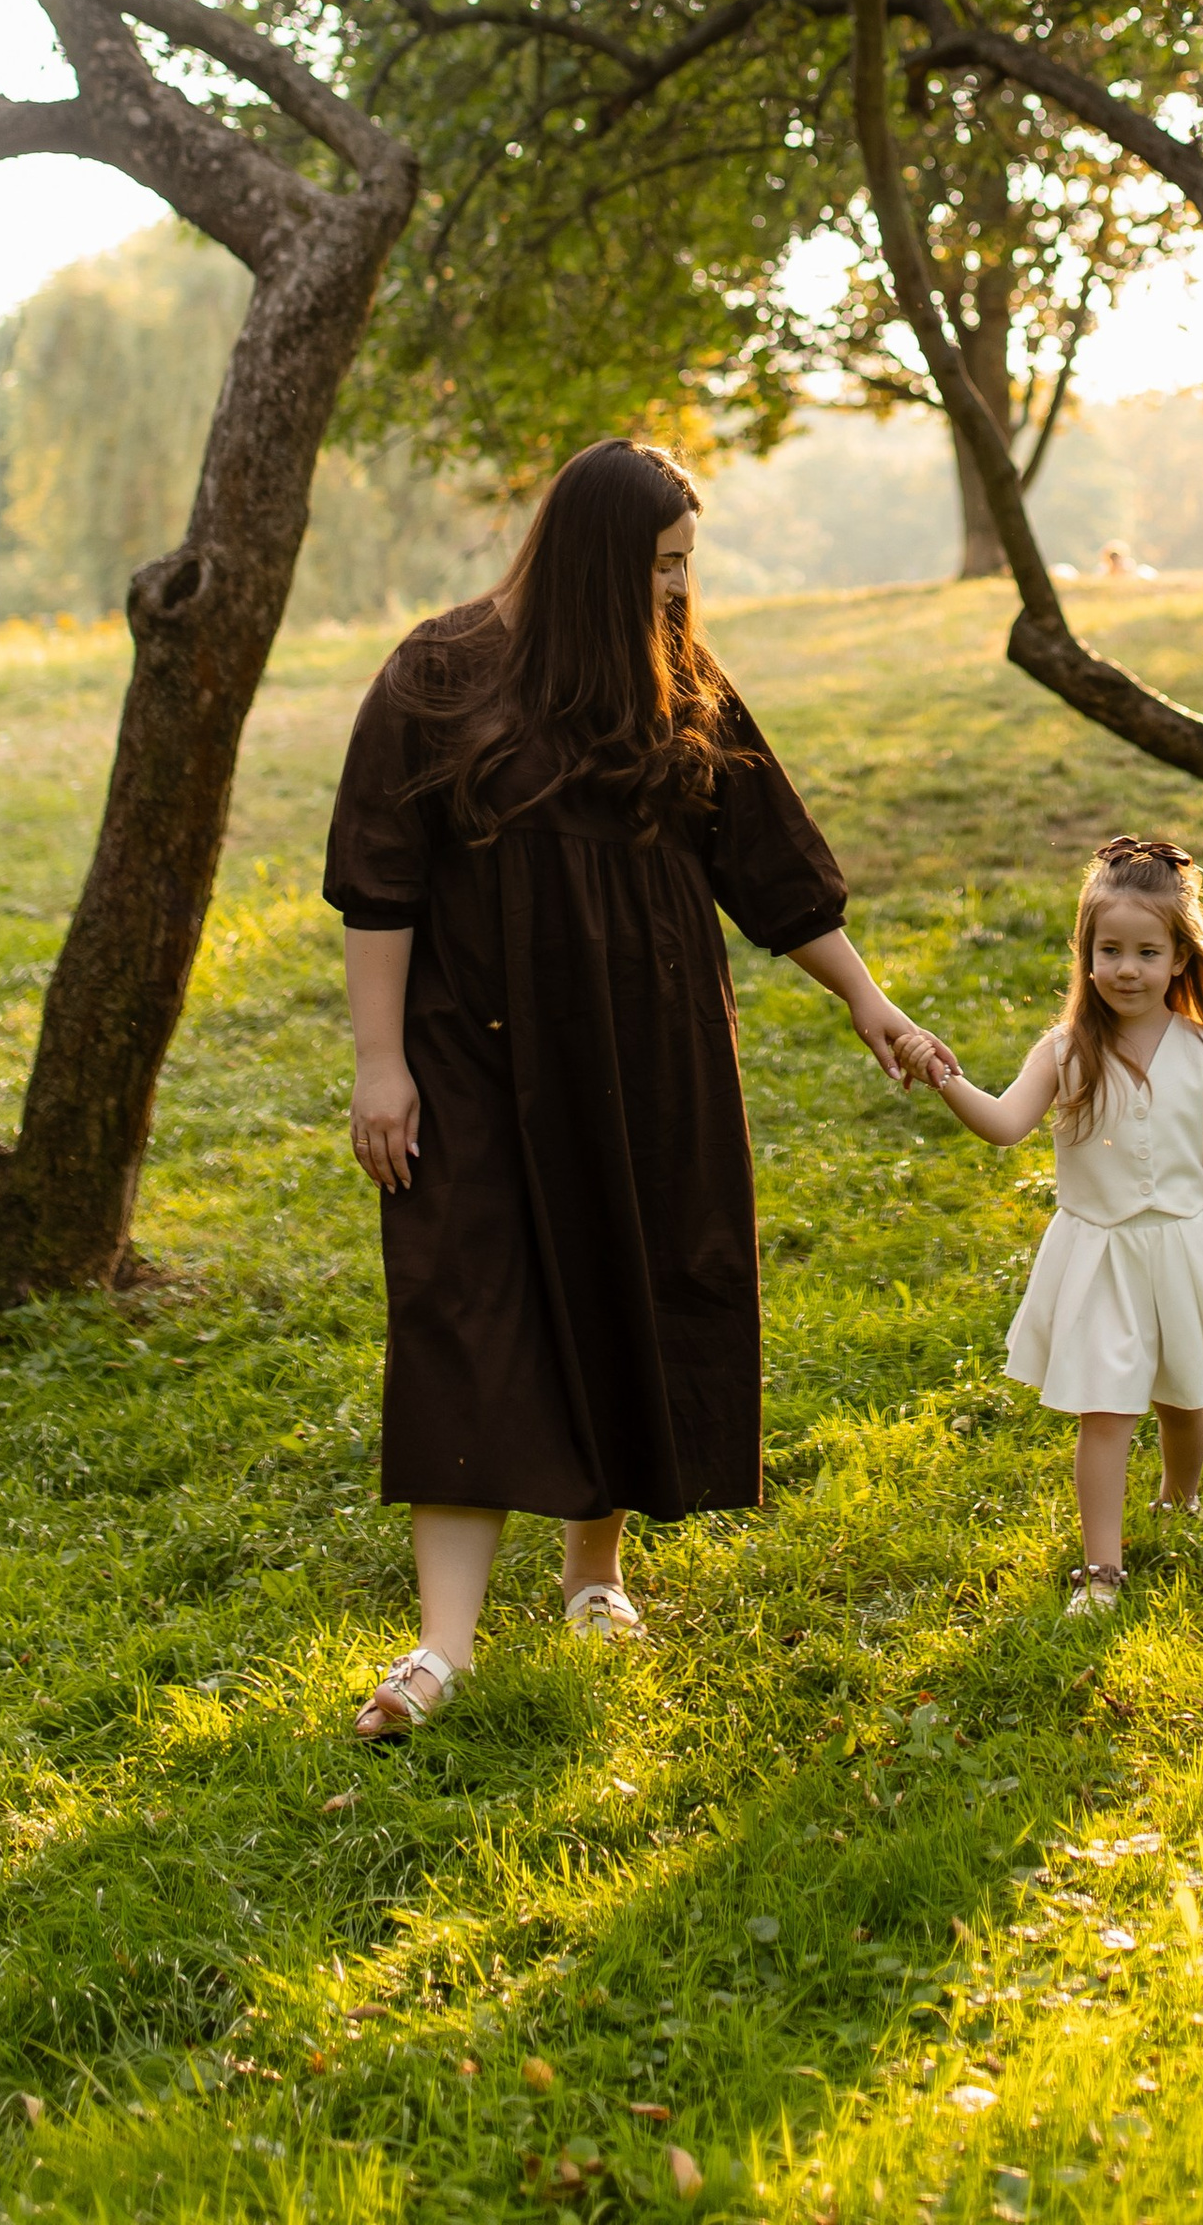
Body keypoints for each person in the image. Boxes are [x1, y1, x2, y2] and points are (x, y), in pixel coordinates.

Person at [323, 438, 952, 1735]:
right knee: (465, 1306)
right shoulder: (437, 679)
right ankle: (442, 1650)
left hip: (647, 1050)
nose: (677, 594)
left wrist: (867, 998)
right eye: (662, 567)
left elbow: (766, 858)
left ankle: (593, 1576)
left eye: (684, 569)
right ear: (596, 555)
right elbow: (378, 882)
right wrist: (378, 1065)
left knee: (627, 1281)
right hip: (476, 1052)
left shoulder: (674, 679)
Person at [916, 833, 1203, 1614]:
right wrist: (947, 1078)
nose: (1127, 969)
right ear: (1087, 954)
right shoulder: (1067, 1050)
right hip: (1101, 1253)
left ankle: (1180, 1498)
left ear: (1180, 958)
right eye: (1110, 950)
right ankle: (1101, 1570)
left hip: (1181, 1247)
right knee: (1106, 1410)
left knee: (1184, 1397)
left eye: (1147, 952)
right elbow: (1006, 1125)